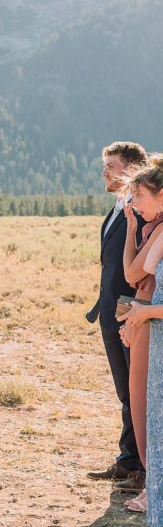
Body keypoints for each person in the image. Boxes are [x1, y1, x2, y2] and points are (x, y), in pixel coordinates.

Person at [87, 142, 148, 487]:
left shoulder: (142, 211)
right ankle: (127, 460)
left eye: (111, 166)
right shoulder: (118, 208)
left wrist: (127, 310)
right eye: (104, 166)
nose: (104, 172)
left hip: (129, 308)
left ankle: (143, 467)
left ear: (133, 168)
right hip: (109, 309)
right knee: (125, 389)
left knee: (138, 388)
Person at [115, 155, 163, 527]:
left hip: (151, 320)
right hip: (146, 317)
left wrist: (142, 314)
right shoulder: (152, 228)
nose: (134, 203)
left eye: (140, 195)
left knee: (147, 406)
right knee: (143, 404)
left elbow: (132, 274)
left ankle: (153, 486)